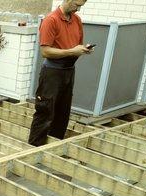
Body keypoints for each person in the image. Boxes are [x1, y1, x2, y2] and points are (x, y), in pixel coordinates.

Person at [28, 0, 93, 146]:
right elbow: (45, 51)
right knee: (45, 112)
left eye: (81, 6)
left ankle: (53, 149)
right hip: (52, 72)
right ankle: (33, 150)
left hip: (69, 71)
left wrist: (83, 49)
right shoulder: (51, 20)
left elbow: (77, 45)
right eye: (77, 5)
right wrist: (71, 51)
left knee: (62, 114)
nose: (78, 9)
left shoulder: (76, 20)